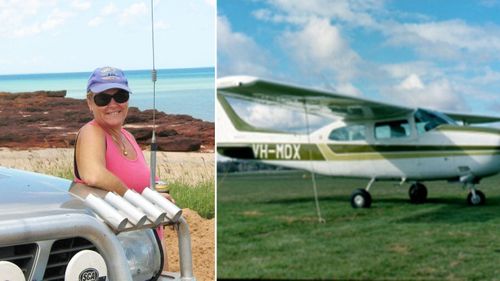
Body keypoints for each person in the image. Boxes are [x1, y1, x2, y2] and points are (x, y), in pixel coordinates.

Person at [73, 66, 172, 270]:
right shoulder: (91, 132)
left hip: (145, 248)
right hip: (117, 253)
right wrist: (142, 201)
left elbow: (144, 182)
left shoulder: (128, 136)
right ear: (89, 102)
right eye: (103, 98)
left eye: (120, 96)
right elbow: (93, 175)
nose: (113, 104)